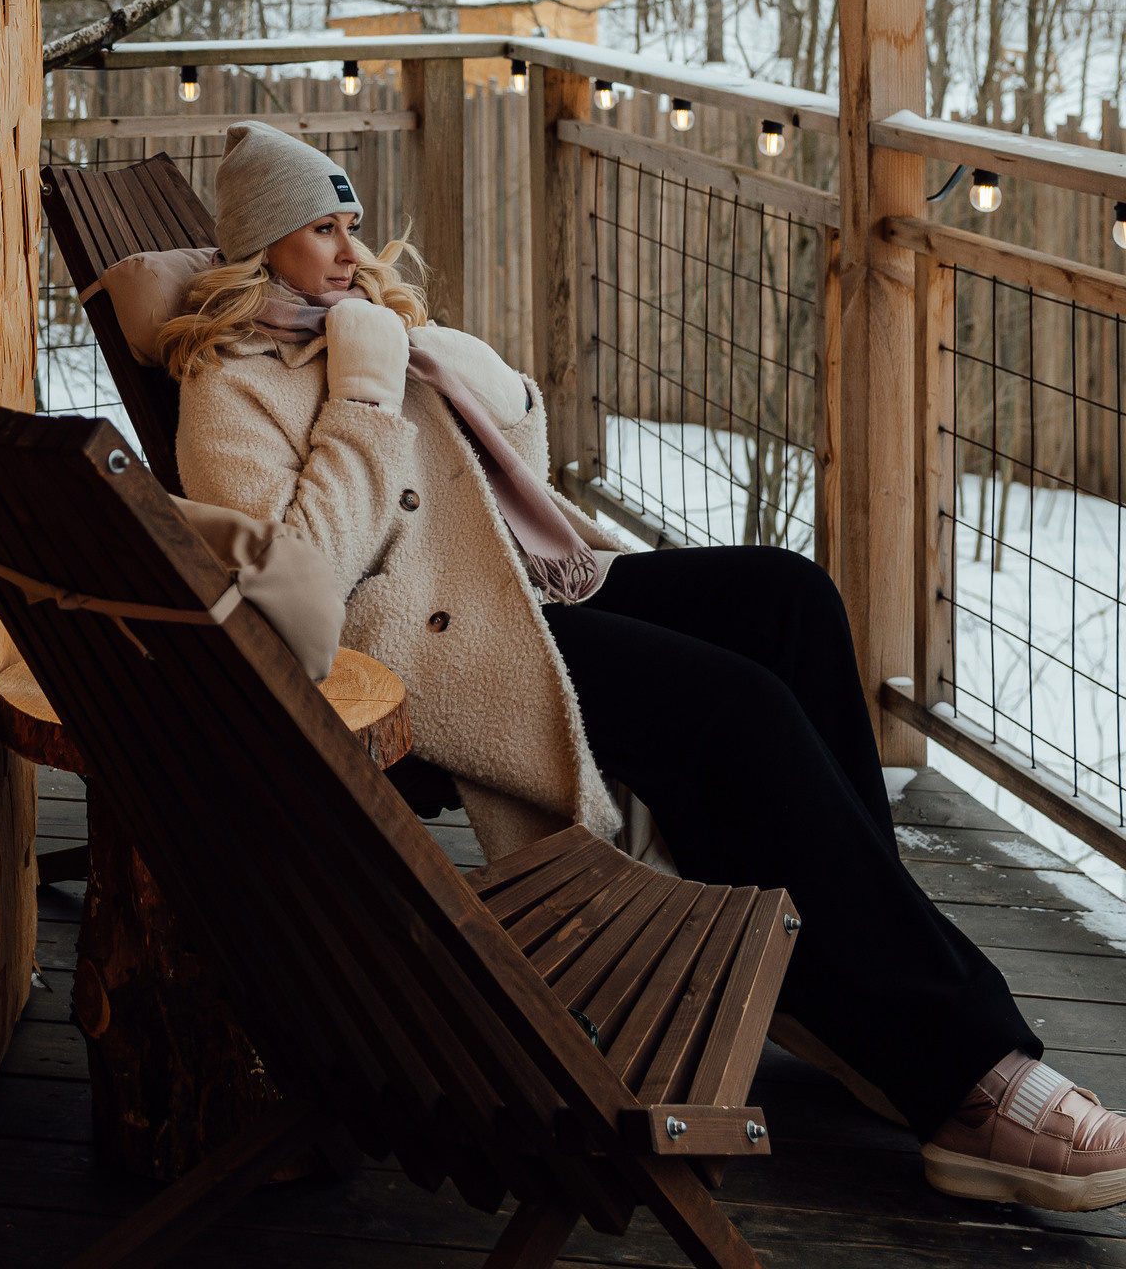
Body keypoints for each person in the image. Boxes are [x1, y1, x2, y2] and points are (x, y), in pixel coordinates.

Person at [140, 119, 1126, 1211]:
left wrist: (450, 368)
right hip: (421, 648)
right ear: (261, 244)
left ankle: (832, 975)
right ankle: (965, 1073)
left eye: (351, 224)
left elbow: (511, 468)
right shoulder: (226, 389)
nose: (349, 250)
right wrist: (365, 398)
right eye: (321, 229)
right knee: (735, 710)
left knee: (785, 596)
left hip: (517, 589)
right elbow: (306, 581)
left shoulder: (358, 329)